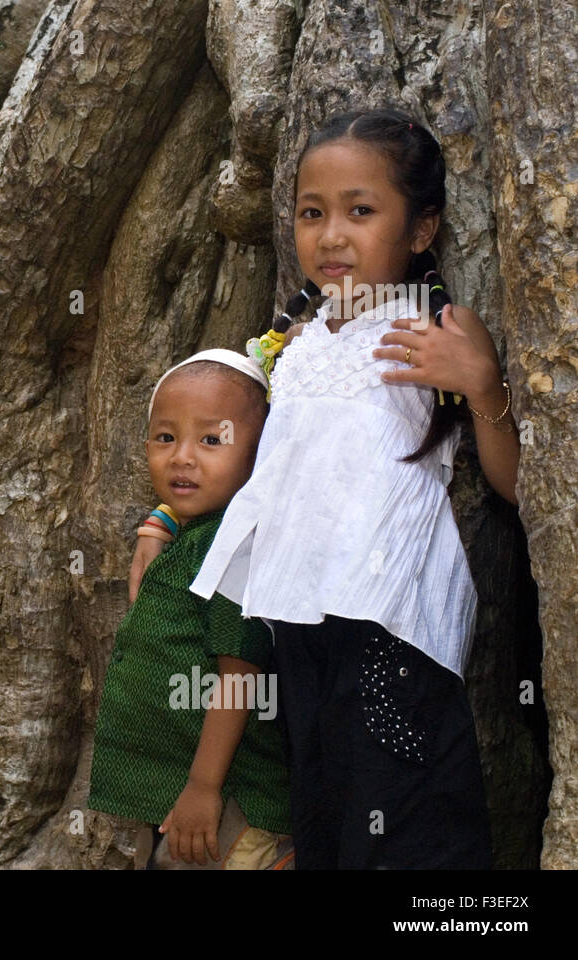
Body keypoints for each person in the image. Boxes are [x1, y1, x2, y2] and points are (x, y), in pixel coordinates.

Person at [180, 108, 522, 869]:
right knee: (327, 824)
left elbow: (514, 485)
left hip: (392, 634)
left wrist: (484, 385)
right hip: (301, 630)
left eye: (360, 211)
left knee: (409, 828)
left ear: (422, 228)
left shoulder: (435, 329)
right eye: (312, 213)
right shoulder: (296, 345)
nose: (331, 235)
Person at [87, 349, 294, 870]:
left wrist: (203, 787)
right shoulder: (196, 536)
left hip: (231, 800)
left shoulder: (234, 547)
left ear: (260, 452)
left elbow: (239, 676)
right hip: (190, 796)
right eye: (165, 437)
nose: (182, 457)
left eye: (211, 439)